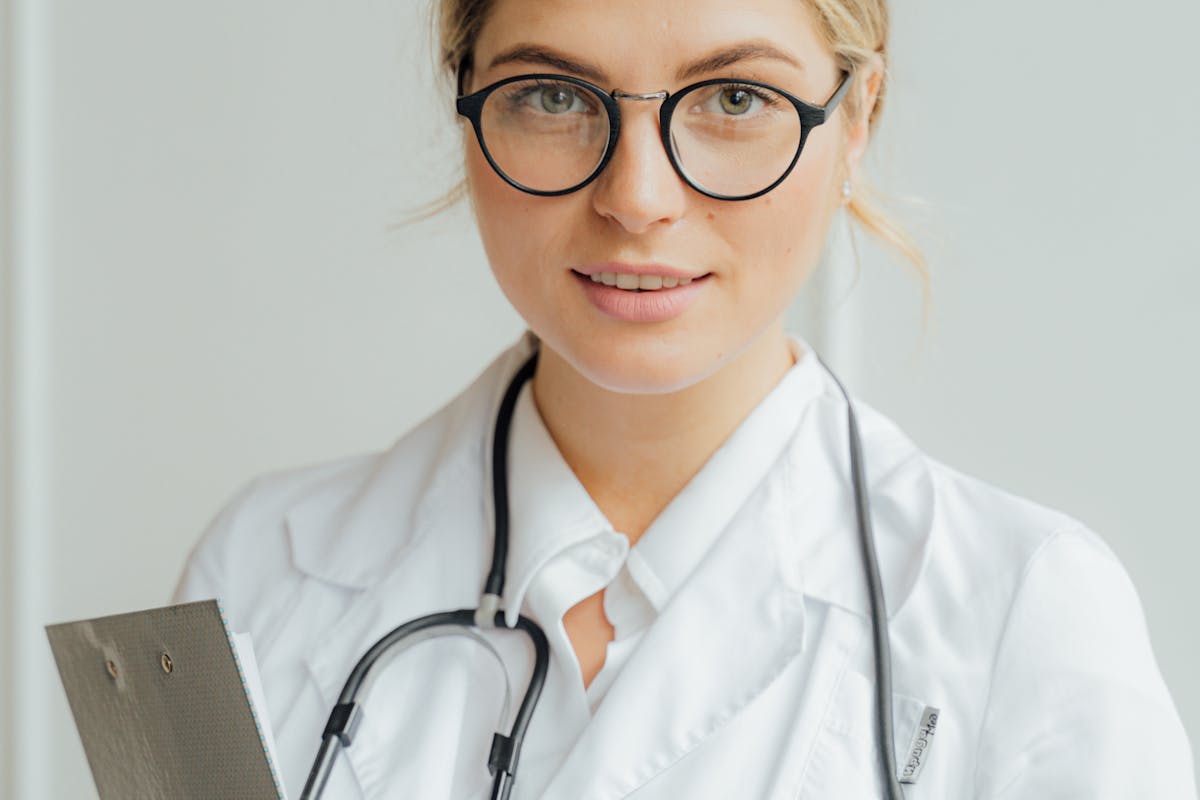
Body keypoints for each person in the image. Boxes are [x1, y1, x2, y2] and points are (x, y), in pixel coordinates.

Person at [172, 0, 1197, 797]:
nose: (638, 197)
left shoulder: (1027, 614)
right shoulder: (254, 575)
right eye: (554, 96)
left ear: (857, 120)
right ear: (466, 97)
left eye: (736, 100)